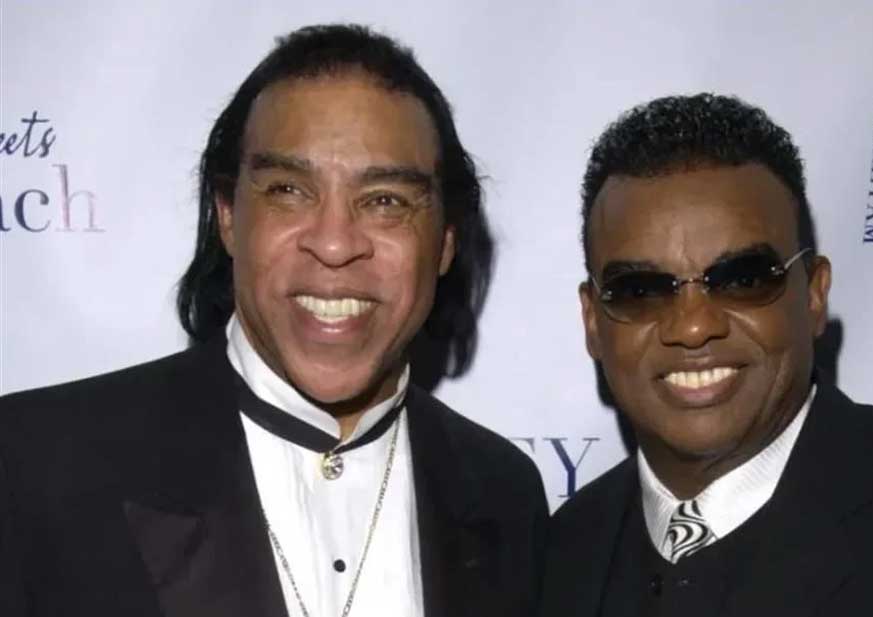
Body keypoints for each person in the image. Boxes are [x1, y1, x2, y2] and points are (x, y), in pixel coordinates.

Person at [0, 24, 547, 617]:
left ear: (445, 241)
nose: (334, 244)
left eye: (385, 200)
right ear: (228, 217)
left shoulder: (505, 495)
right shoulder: (35, 465)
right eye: (288, 190)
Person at [538, 93, 873, 616]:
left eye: (742, 280)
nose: (693, 326)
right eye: (640, 290)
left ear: (813, 294)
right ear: (592, 320)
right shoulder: (556, 561)